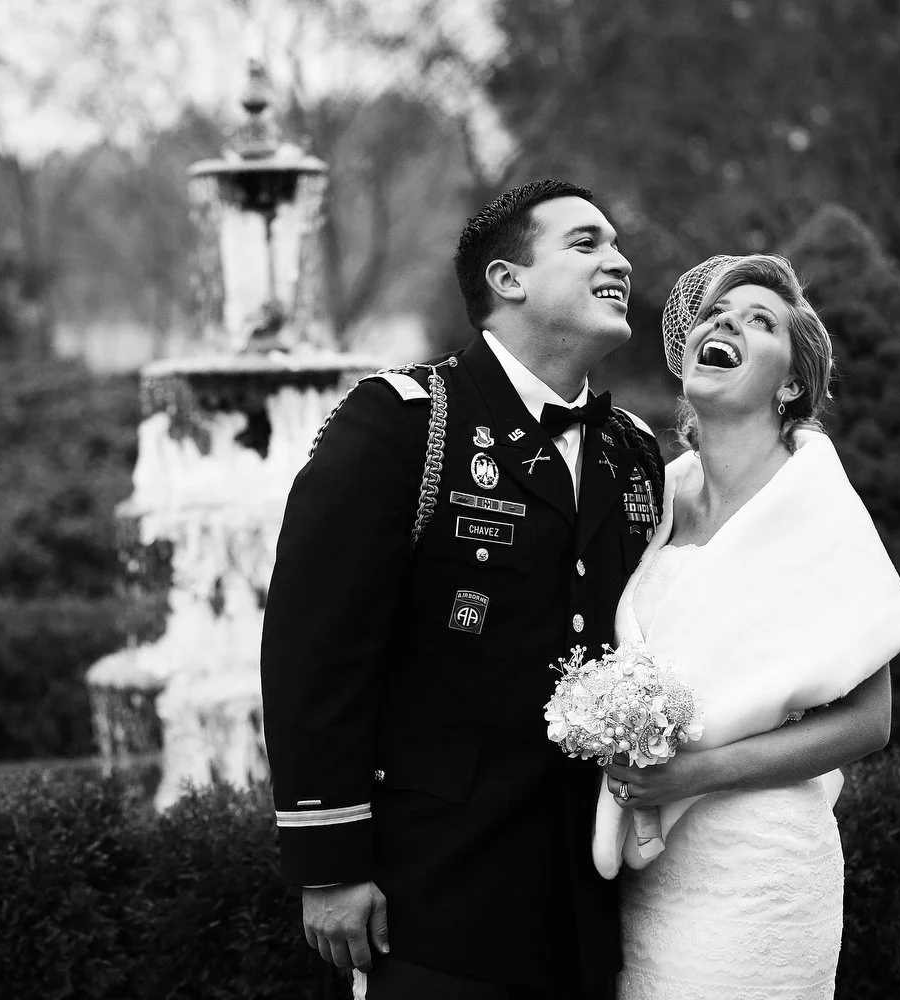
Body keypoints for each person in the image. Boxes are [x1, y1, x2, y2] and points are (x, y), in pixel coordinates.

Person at [260, 179, 664, 999]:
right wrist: (329, 862)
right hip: (436, 893)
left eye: (618, 245)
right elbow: (314, 649)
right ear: (507, 280)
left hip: (594, 899)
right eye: (585, 243)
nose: (619, 262)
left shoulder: (633, 451)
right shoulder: (405, 421)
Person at [594, 253, 900, 998]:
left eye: (759, 320)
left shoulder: (815, 503)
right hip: (647, 877)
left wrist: (692, 775)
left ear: (791, 384)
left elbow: (869, 722)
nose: (726, 323)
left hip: (758, 873)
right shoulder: (658, 495)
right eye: (715, 314)